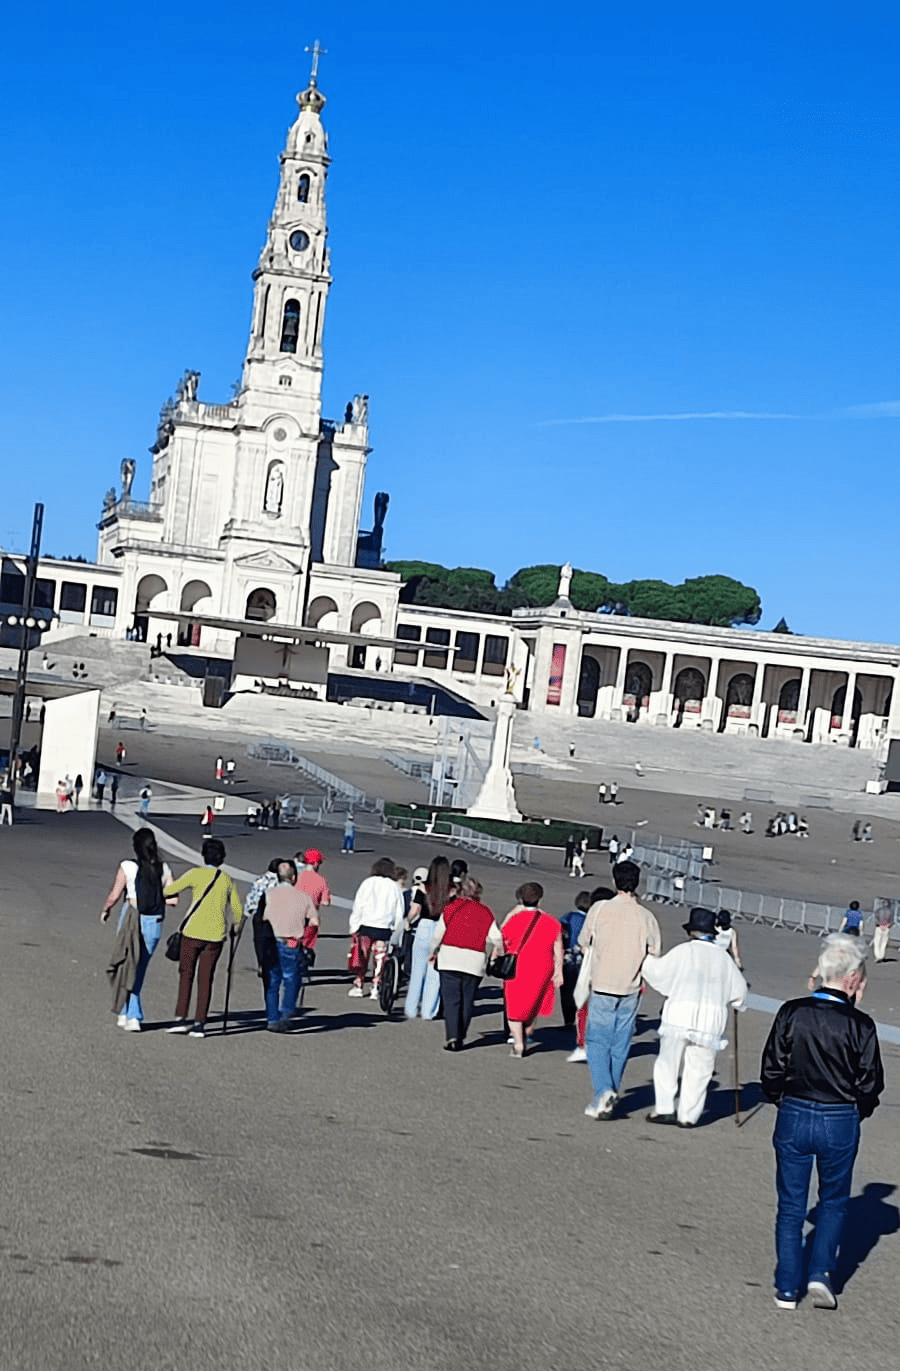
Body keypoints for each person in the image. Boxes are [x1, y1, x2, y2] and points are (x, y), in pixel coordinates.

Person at [760, 934, 884, 1310]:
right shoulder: (861, 1025)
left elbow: (771, 1069)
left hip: (795, 1110)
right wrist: (856, 1109)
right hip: (838, 1116)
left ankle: (786, 1285)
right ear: (851, 979)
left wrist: (780, 1098)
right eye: (861, 978)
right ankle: (820, 1273)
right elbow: (870, 1082)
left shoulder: (791, 1012)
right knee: (832, 1201)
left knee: (791, 1204)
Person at [641, 907, 748, 1128]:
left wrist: (646, 958)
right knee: (699, 1068)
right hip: (709, 1021)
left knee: (667, 1063)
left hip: (679, 1015)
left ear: (691, 932)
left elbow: (658, 972)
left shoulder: (683, 951)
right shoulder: (723, 958)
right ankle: (688, 1115)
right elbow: (739, 992)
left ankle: (664, 1108)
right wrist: (737, 1003)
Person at [578, 860, 661, 1120]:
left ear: (615, 882)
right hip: (631, 986)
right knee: (620, 1043)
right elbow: (654, 952)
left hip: (603, 982)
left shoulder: (600, 909)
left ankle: (604, 1090)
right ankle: (608, 1093)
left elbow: (584, 942)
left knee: (597, 1041)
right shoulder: (647, 917)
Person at [164, 838, 244, 1038]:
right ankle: (200, 1022)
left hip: (192, 932)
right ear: (222, 858)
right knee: (206, 978)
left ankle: (181, 1017)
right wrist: (235, 927)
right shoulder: (226, 879)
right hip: (216, 935)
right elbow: (238, 910)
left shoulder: (195, 874)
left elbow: (169, 890)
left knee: (186, 975)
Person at [102, 828, 174, 1030]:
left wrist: (106, 910)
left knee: (126, 963)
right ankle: (127, 1012)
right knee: (139, 968)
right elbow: (173, 899)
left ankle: (133, 1015)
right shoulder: (164, 868)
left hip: (131, 917)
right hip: (154, 921)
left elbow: (114, 894)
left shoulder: (127, 866)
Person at [429, 876, 502, 1051]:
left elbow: (438, 934)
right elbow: (497, 938)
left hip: (450, 957)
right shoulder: (486, 911)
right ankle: (461, 1034)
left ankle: (453, 1036)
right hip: (474, 960)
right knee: (467, 1000)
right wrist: (496, 954)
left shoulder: (452, 907)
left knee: (452, 1000)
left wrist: (432, 952)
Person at [500, 883, 563, 1058]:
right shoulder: (551, 922)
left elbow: (500, 939)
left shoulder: (515, 919)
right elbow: (558, 948)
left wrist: (510, 914)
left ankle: (519, 1044)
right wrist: (559, 971)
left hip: (519, 967)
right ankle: (526, 1033)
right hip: (542, 967)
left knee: (514, 1007)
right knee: (532, 1004)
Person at [263, 859, 318, 1030]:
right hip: (292, 942)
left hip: (271, 941)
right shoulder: (303, 896)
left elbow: (262, 918)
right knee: (291, 978)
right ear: (294, 877)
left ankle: (272, 1018)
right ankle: (286, 1012)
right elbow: (314, 922)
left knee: (272, 981)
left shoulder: (268, 894)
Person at [560, 889, 612, 1062]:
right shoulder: (591, 920)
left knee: (567, 990)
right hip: (585, 962)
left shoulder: (567, 917)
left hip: (568, 958)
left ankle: (569, 1020)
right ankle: (581, 1023)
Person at [347, 857, 405, 997]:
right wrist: (396, 928)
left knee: (362, 957)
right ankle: (375, 987)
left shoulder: (367, 883)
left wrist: (354, 926)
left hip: (366, 925)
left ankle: (359, 984)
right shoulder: (394, 886)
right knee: (380, 959)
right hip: (384, 927)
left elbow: (358, 905)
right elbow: (399, 911)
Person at [404, 857, 449, 1020]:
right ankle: (428, 1011)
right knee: (434, 972)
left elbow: (415, 909)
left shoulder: (424, 887)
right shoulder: (450, 891)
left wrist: (408, 922)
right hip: (441, 928)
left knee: (417, 971)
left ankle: (411, 1008)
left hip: (424, 926)